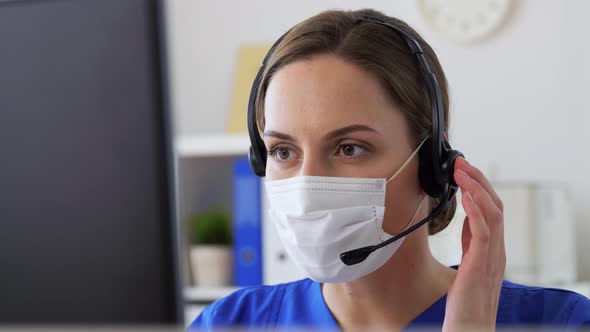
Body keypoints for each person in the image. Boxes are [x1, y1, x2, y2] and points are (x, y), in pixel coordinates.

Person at [189, 8, 590, 331]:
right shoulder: (227, 323)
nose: (307, 186)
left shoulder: (561, 322)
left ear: (432, 161)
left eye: (349, 148)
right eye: (282, 151)